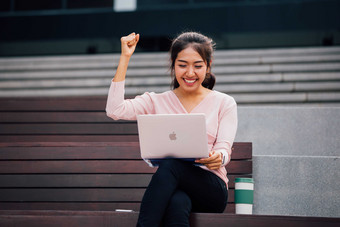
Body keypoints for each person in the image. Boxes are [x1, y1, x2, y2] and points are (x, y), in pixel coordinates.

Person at [106, 32, 238, 227]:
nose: (190, 73)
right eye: (183, 65)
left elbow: (224, 149)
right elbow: (114, 110)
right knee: (177, 202)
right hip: (174, 188)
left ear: (208, 66)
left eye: (198, 66)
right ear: (173, 65)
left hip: (211, 189)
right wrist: (125, 58)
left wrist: (219, 157)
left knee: (171, 165)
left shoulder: (224, 103)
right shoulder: (155, 101)